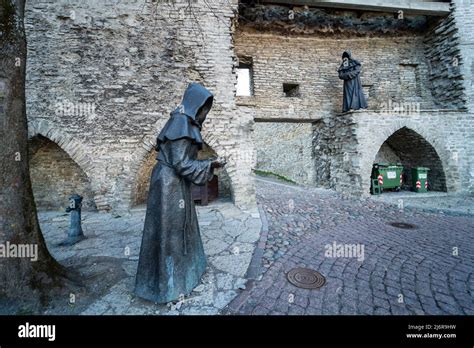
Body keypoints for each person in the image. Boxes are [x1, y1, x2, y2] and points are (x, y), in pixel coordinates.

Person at [135, 82, 225, 303]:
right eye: (203, 106)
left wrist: (208, 164)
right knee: (171, 231)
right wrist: (211, 165)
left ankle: (184, 275)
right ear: (195, 103)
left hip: (174, 183)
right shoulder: (180, 122)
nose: (204, 112)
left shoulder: (185, 122)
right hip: (169, 185)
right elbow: (181, 164)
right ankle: (169, 286)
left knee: (179, 228)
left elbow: (182, 163)